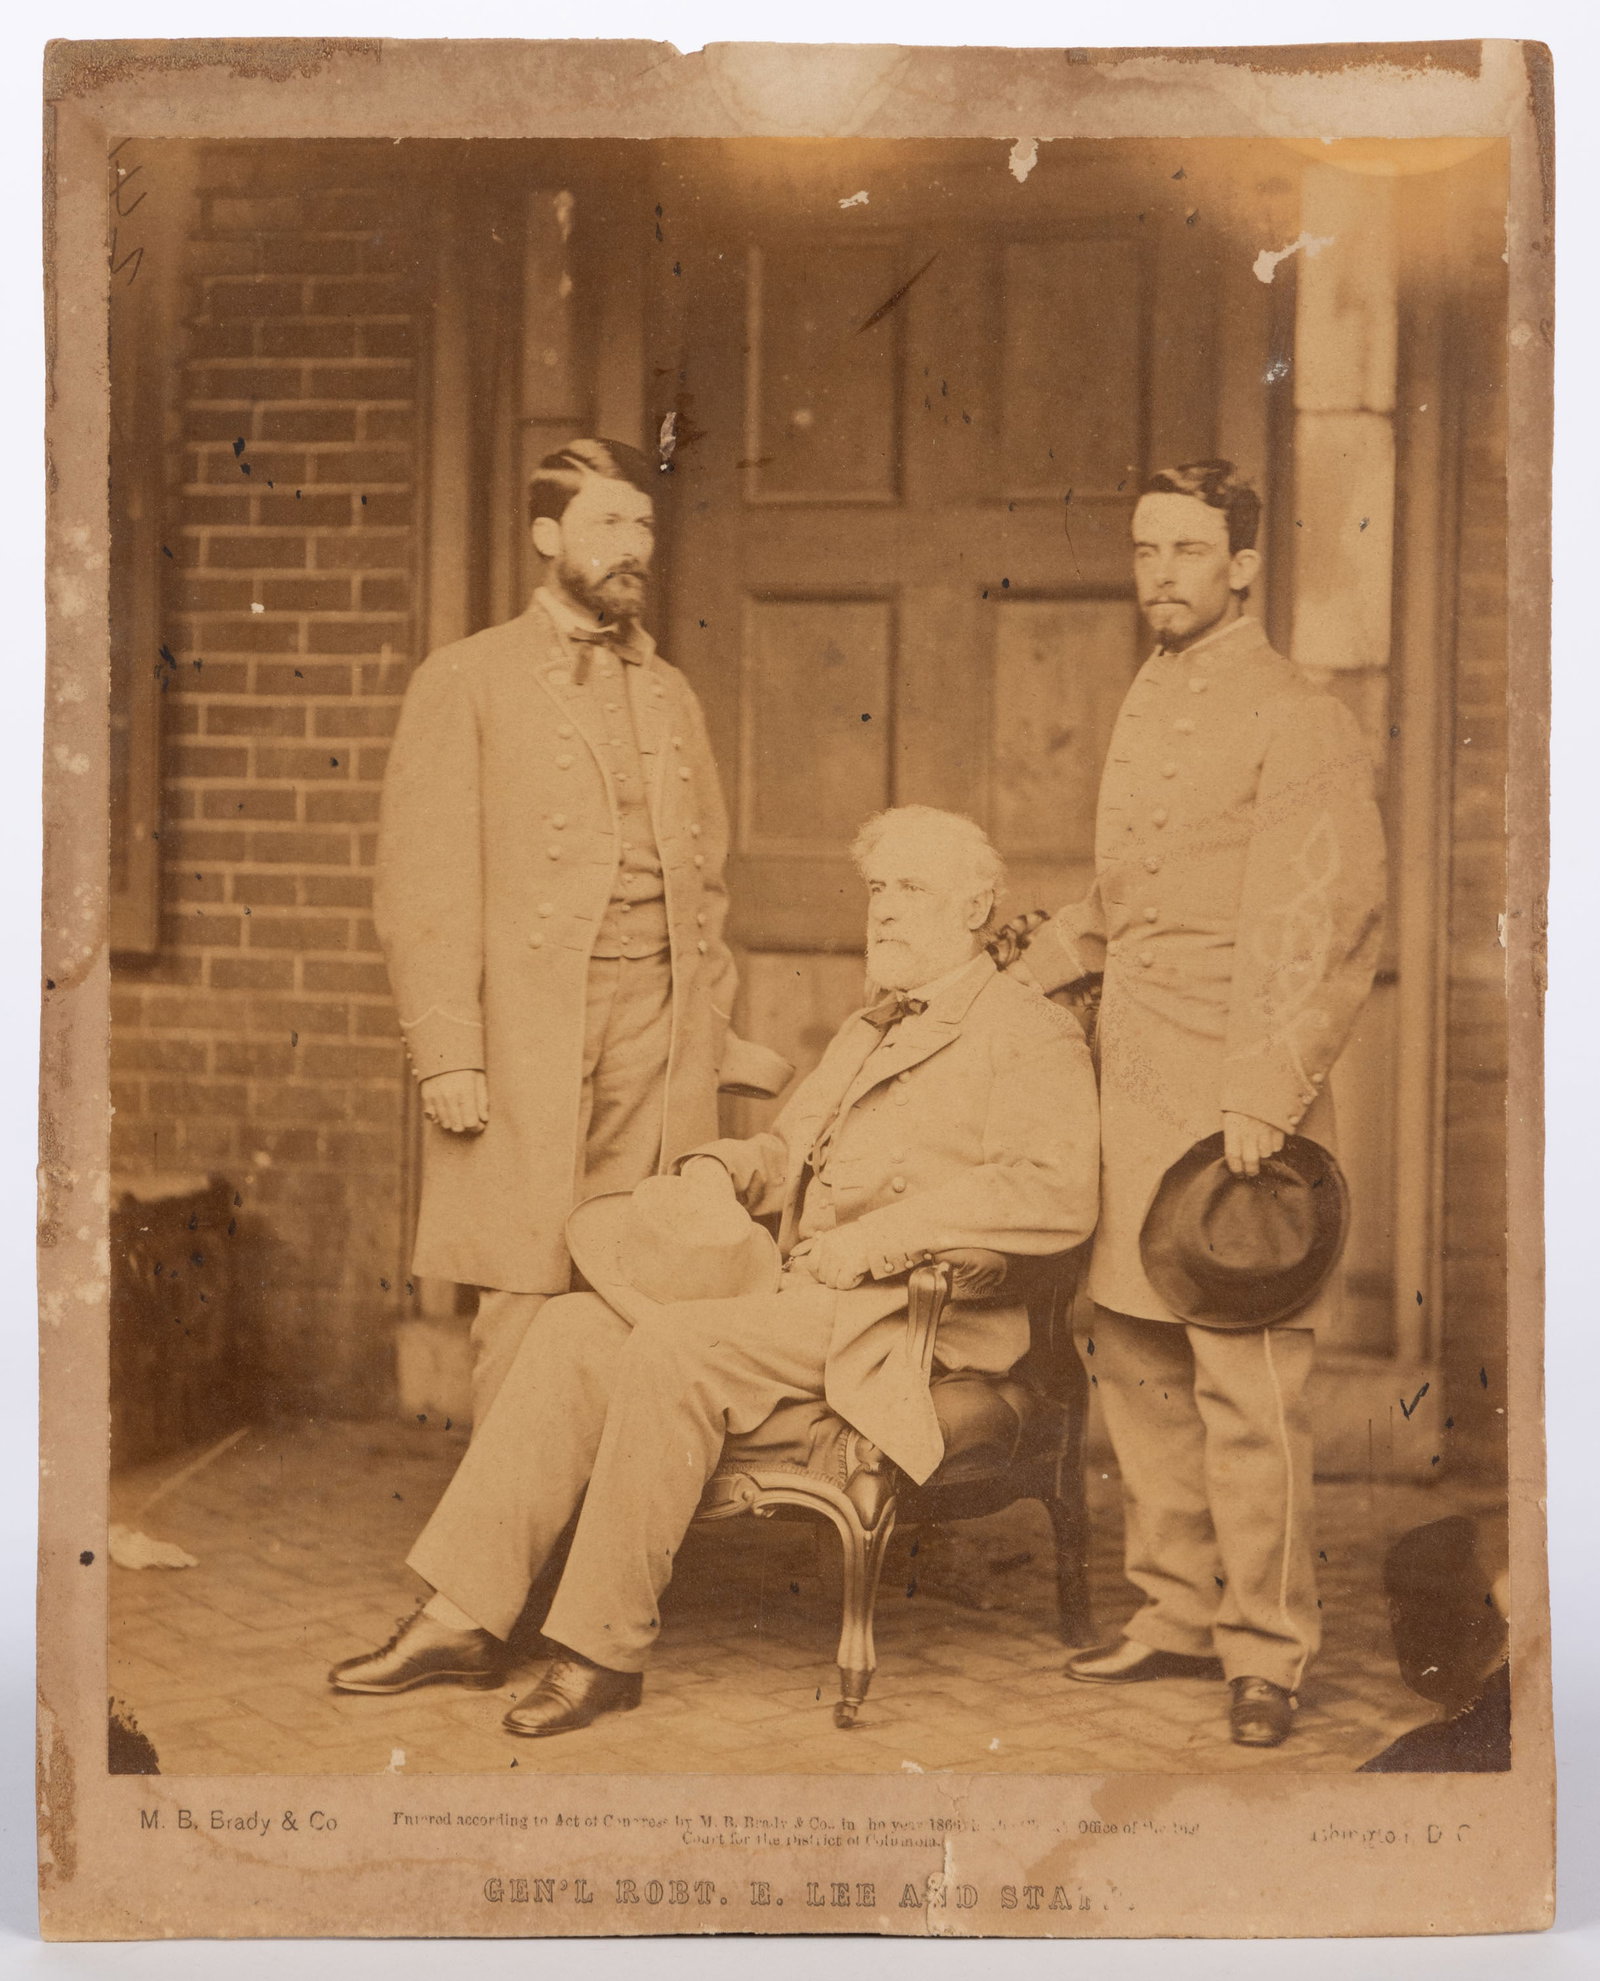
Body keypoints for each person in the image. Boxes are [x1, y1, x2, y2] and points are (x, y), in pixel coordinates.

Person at [332, 806, 1099, 1736]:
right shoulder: (869, 1027)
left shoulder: (1027, 1031)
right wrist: (722, 1168)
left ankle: (601, 1650)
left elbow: (1054, 1190)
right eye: (877, 889)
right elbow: (786, 1148)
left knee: (671, 1343)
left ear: (976, 907)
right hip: (805, 1300)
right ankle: (463, 1618)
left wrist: (882, 1240)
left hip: (908, 1320)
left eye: (911, 888)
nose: (885, 910)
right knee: (574, 1327)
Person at [1020, 460, 1387, 1748]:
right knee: (1138, 1358)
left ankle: (1266, 1650)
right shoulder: (1150, 694)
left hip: (1237, 1097)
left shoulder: (1298, 714)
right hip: (1137, 1081)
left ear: (1242, 565)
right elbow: (1126, 904)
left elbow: (1326, 917)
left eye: (1186, 550)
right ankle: (1175, 1610)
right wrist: (1020, 970)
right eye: (1144, 549)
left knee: (1247, 1384)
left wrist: (1265, 1091)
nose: (1160, 573)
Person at [374, 439, 789, 1421]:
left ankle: (612, 1503)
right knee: (524, 1280)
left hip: (655, 1026)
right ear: (545, 534)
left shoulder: (669, 691)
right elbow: (422, 882)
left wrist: (707, 1027)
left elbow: (706, 884)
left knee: (642, 1271)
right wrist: (449, 1050)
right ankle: (510, 1515)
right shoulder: (468, 678)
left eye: (642, 524)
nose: (631, 544)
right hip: (528, 1028)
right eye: (607, 523)